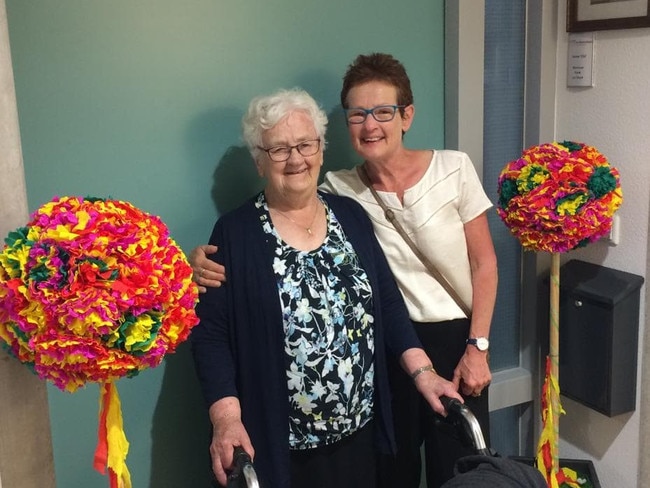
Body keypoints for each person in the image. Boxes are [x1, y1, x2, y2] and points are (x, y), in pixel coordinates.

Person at [192, 53, 497, 488]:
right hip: (283, 442)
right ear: (259, 161)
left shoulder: (349, 213)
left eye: (306, 144)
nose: (295, 158)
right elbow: (212, 335)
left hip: (362, 432)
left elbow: (387, 302)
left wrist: (427, 370)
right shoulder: (236, 231)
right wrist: (225, 418)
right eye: (278, 148)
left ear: (320, 148)